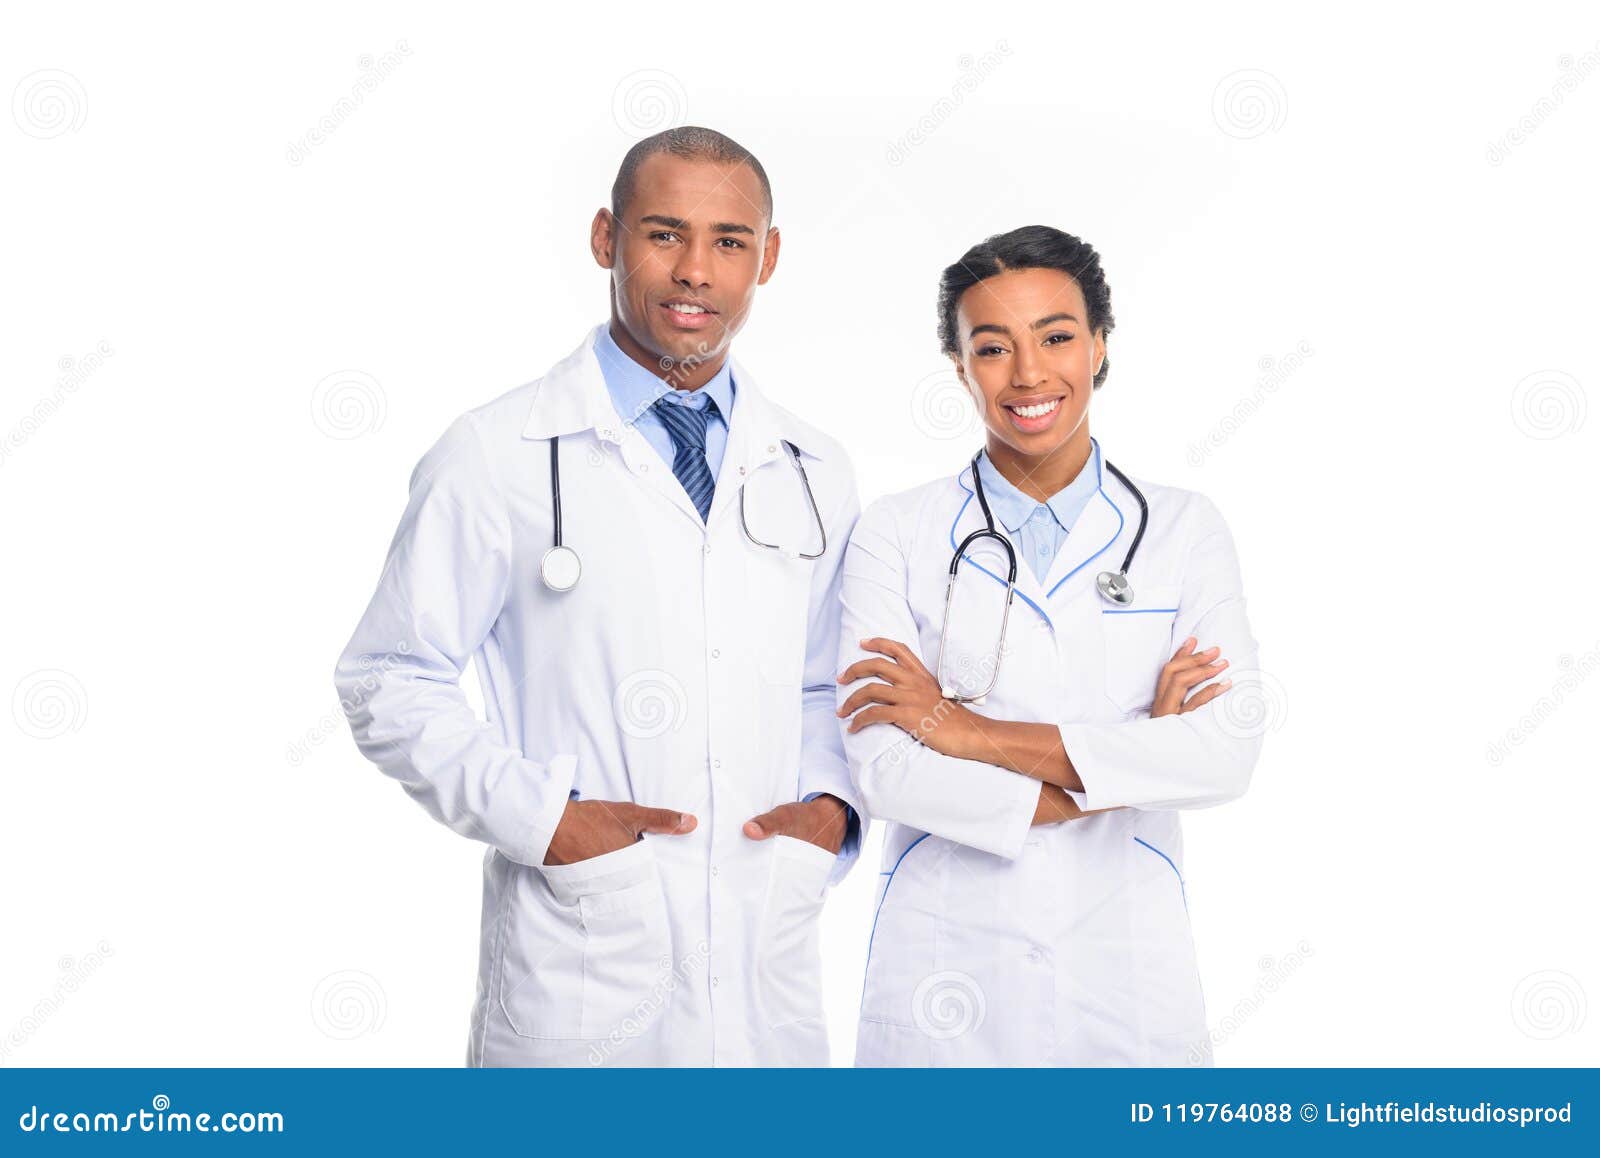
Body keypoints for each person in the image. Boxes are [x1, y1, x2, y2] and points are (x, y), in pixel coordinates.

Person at [335, 126, 863, 1067]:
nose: (695, 270)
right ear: (604, 239)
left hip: (763, 961)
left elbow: (834, 685)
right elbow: (390, 676)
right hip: (579, 960)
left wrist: (831, 811)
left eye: (729, 242)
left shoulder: (815, 467)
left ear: (768, 258)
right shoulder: (497, 453)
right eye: (664, 234)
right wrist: (548, 820)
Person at [835, 225, 1262, 1066]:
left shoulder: (1182, 529)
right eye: (992, 347)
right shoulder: (896, 533)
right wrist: (1126, 764)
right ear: (960, 368)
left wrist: (968, 734)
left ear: (1100, 345)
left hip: (1125, 975)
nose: (1029, 375)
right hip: (947, 962)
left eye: (1057, 337)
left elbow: (1224, 753)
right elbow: (883, 766)